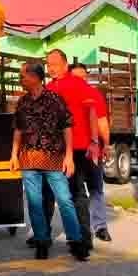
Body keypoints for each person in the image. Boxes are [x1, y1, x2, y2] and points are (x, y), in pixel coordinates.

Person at [10, 62, 88, 261]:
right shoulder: (22, 102)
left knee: (65, 200)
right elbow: (18, 130)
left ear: (35, 77)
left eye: (23, 76)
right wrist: (13, 155)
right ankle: (42, 241)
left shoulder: (55, 99)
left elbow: (67, 127)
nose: (21, 80)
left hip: (54, 159)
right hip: (28, 160)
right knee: (35, 203)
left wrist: (69, 156)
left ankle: (76, 241)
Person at [45, 50, 101, 253]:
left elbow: (92, 113)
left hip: (77, 147)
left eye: (55, 63)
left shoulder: (78, 84)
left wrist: (94, 141)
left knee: (77, 192)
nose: (51, 68)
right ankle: (43, 235)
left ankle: (84, 238)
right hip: (53, 150)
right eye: (48, 64)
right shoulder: (47, 88)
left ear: (65, 64)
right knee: (48, 194)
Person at [70, 62, 112, 242]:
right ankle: (80, 229)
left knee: (96, 188)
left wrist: (107, 145)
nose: (81, 80)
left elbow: (102, 122)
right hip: (72, 151)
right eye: (76, 77)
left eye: (83, 76)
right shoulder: (64, 96)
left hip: (93, 150)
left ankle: (100, 227)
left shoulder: (94, 95)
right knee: (76, 192)